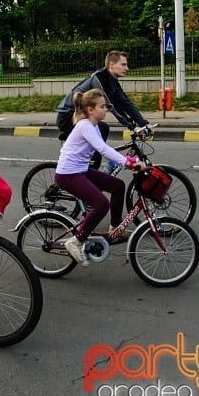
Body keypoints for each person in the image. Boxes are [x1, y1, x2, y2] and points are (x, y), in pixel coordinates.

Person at [56, 89, 145, 266]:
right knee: (101, 204)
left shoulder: (94, 125)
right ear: (90, 109)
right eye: (102, 107)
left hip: (80, 170)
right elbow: (103, 150)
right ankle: (76, 241)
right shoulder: (85, 126)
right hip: (68, 173)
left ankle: (115, 228)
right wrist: (128, 164)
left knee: (118, 186)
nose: (106, 110)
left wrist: (131, 159)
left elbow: (105, 148)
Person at [55, 50, 152, 168]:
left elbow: (125, 102)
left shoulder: (112, 81)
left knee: (102, 131)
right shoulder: (100, 78)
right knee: (100, 138)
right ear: (111, 64)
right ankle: (87, 173)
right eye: (123, 64)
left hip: (83, 117)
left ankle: (90, 170)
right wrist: (133, 127)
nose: (127, 68)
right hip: (69, 117)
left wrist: (143, 123)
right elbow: (111, 106)